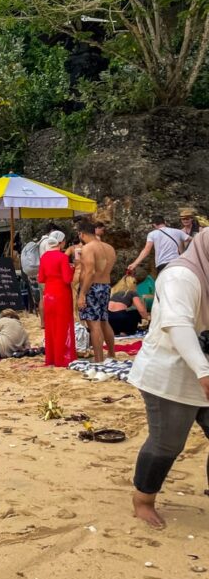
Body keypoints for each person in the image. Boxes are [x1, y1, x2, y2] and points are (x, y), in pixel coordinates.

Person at [128, 229, 209, 530]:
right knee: (167, 442)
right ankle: (143, 499)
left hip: (202, 368)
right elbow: (178, 325)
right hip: (170, 374)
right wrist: (203, 371)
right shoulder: (180, 277)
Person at [77, 219, 118, 362]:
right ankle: (111, 354)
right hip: (105, 285)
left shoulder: (88, 248)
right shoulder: (109, 248)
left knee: (93, 325)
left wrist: (82, 293)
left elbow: (90, 272)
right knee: (104, 321)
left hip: (92, 287)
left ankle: (99, 359)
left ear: (81, 234)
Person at [38, 230, 76, 367]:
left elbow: (41, 278)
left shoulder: (44, 257)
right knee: (62, 325)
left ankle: (52, 357)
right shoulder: (62, 257)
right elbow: (67, 279)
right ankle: (62, 358)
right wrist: (72, 269)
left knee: (51, 326)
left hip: (48, 293)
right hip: (61, 293)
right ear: (61, 242)